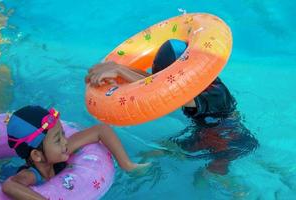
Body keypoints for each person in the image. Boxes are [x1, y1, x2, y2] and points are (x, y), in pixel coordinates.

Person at [86, 39, 258, 176]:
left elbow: (162, 88)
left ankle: (242, 193)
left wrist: (119, 71)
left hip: (224, 140)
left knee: (208, 174)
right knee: (160, 149)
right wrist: (120, 68)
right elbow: (158, 82)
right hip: (213, 131)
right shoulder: (204, 80)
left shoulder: (213, 95)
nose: (161, 79)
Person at [2, 105, 149, 199]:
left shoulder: (61, 151)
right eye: (57, 140)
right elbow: (9, 186)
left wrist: (127, 165)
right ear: (37, 155)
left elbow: (101, 130)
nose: (65, 141)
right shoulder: (30, 175)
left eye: (63, 134)